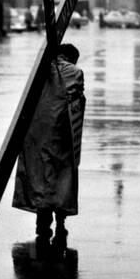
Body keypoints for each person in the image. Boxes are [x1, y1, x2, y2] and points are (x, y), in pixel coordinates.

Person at [12, 43, 85, 249]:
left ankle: (42, 224)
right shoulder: (75, 72)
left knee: (41, 177)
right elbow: (77, 101)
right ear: (72, 58)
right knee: (63, 178)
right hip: (62, 136)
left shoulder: (40, 70)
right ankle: (61, 222)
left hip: (37, 134)